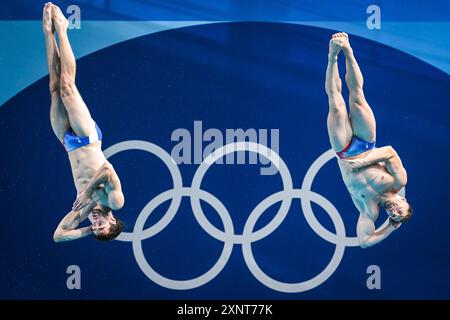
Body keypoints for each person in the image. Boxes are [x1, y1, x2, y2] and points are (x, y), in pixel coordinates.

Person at [43, 3, 124, 242]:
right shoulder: (114, 202)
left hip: (68, 143)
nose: (96, 223)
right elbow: (107, 170)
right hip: (88, 138)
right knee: (68, 86)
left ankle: (48, 32)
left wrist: (88, 230)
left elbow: (58, 236)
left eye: (95, 227)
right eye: (102, 226)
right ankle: (63, 29)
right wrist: (88, 191)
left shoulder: (84, 210)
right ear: (112, 220)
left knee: (54, 88)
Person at [325, 32, 412, 248]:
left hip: (344, 150)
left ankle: (332, 56)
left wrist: (391, 227)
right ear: (404, 200)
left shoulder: (369, 209)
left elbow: (364, 242)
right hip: (365, 143)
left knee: (336, 103)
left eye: (394, 215)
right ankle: (347, 50)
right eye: (400, 210)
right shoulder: (398, 182)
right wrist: (364, 161)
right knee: (358, 95)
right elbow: (390, 151)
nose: (395, 211)